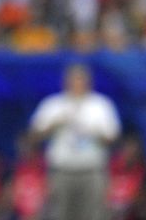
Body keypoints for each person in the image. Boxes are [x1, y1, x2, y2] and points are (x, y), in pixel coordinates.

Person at [29, 62, 121, 220]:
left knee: (94, 215)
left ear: (88, 82)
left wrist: (94, 132)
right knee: (60, 215)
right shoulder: (54, 104)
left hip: (92, 171)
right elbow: (33, 135)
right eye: (73, 79)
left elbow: (113, 138)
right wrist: (54, 125)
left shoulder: (100, 105)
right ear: (66, 81)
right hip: (62, 172)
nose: (77, 83)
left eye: (81, 79)